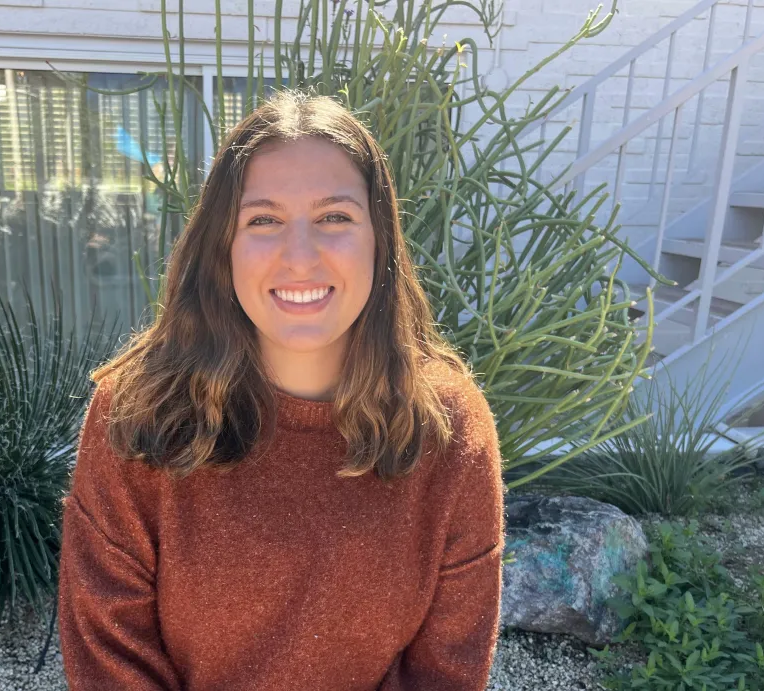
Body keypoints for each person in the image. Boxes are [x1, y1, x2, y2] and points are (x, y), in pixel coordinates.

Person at [58, 89, 505, 690]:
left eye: (334, 218)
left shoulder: (450, 428)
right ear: (224, 247)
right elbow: (110, 661)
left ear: (381, 241)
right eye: (263, 220)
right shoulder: (139, 417)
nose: (300, 257)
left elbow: (446, 673)